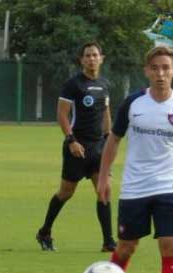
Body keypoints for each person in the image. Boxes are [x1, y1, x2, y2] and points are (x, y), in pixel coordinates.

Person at [97, 46, 173, 273]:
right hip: (134, 188)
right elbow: (114, 140)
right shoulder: (133, 104)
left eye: (166, 68)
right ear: (146, 71)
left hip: (168, 186)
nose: (161, 74)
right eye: (155, 68)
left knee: (169, 245)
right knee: (127, 247)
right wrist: (104, 177)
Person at [36, 42, 116, 252]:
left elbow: (106, 113)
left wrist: (108, 138)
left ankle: (108, 242)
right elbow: (62, 114)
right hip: (77, 147)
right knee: (66, 192)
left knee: (104, 191)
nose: (91, 59)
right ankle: (44, 231)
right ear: (81, 60)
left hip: (98, 148)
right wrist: (71, 141)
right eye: (87, 55)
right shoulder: (73, 85)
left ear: (102, 58)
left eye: (95, 55)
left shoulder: (105, 84)